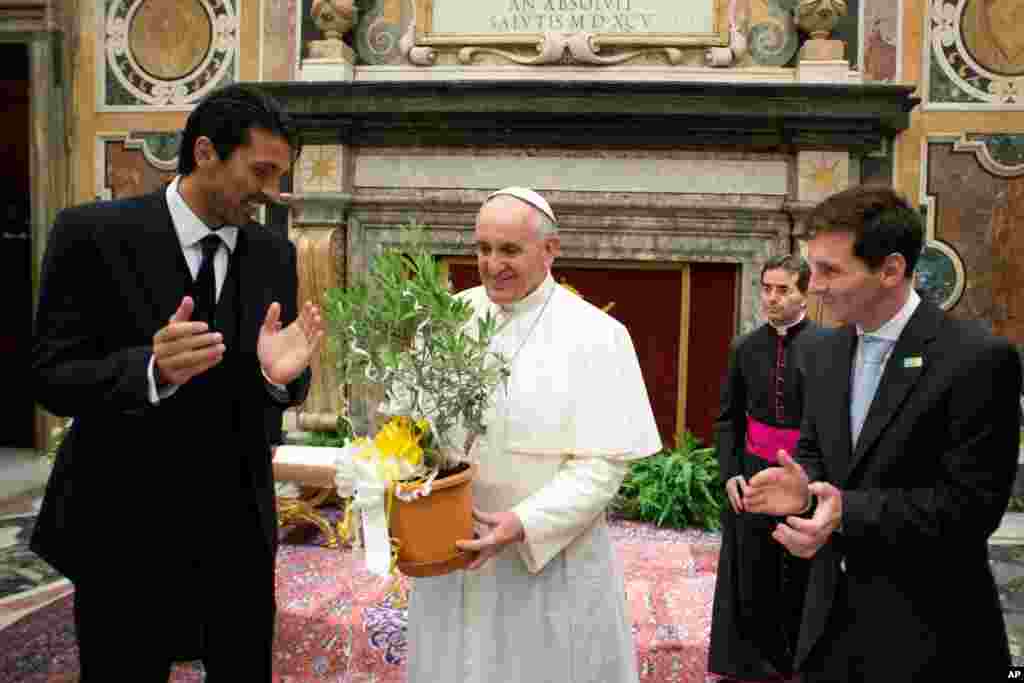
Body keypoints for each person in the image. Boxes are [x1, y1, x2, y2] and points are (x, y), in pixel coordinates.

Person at [30, 83, 324, 682]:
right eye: (260, 172)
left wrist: (278, 380)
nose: (272, 192)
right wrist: (148, 370)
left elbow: (279, 378)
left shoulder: (274, 254)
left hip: (236, 537)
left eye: (279, 175)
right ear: (206, 152)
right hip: (122, 530)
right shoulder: (91, 234)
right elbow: (50, 377)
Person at [744, 185, 1022, 682]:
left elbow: (970, 508)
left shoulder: (977, 359)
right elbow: (818, 454)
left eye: (830, 271)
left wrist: (845, 512)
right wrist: (804, 492)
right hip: (828, 637)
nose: (815, 286)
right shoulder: (823, 353)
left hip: (931, 641)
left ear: (891, 270)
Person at [405, 187, 662, 683]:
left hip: (548, 561)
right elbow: (415, 435)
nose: (491, 264)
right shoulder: (445, 321)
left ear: (550, 250)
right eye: (482, 249)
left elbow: (602, 466)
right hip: (454, 552)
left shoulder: (598, 335)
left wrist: (523, 522)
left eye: (509, 250)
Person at [708, 254, 823, 681]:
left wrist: (815, 479)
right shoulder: (744, 347)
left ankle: (798, 664)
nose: (772, 298)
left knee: (799, 576)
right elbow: (727, 419)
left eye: (783, 290)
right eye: (767, 288)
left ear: (804, 293)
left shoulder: (828, 347)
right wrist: (730, 473)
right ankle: (748, 667)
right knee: (750, 575)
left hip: (805, 477)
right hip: (753, 476)